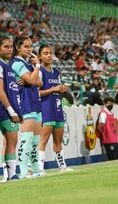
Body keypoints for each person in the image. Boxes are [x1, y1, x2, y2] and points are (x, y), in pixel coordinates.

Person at [11, 36, 43, 178]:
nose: (30, 49)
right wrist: (37, 66)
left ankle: (36, 170)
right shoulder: (17, 63)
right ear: (18, 48)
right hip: (25, 104)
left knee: (35, 142)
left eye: (31, 46)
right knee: (27, 139)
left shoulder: (27, 63)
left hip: (35, 102)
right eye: (26, 46)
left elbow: (40, 83)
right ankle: (23, 173)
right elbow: (31, 80)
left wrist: (32, 77)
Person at [38, 44, 70, 173]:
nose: (49, 55)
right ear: (40, 56)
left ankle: (62, 166)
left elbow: (55, 90)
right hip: (45, 108)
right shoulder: (39, 71)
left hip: (57, 107)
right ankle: (39, 168)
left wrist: (61, 90)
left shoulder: (56, 72)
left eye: (50, 53)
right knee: (43, 140)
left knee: (58, 140)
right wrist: (53, 89)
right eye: (45, 53)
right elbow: (36, 93)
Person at [0, 36, 22, 181]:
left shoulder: (7, 67)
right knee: (12, 139)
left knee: (11, 140)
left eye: (11, 46)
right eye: (5, 46)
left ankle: (10, 174)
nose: (9, 49)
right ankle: (11, 174)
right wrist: (11, 111)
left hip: (7, 109)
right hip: (3, 109)